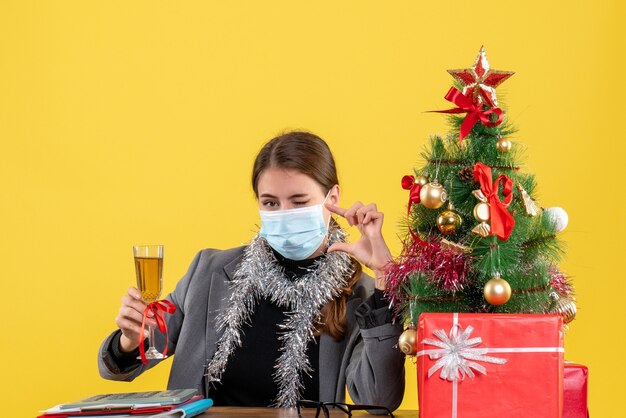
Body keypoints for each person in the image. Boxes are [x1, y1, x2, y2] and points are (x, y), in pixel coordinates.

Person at [98, 131, 405, 410]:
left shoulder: (361, 294)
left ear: (332, 199)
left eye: (299, 201)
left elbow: (379, 400)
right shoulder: (210, 270)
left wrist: (384, 277)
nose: (284, 214)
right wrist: (129, 340)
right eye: (270, 203)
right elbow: (130, 359)